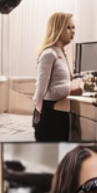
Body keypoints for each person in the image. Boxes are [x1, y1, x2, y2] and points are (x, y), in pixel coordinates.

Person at [32, 11, 83, 141]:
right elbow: (45, 92)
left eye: (73, 27)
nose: (73, 31)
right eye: (68, 27)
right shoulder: (49, 54)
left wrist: (76, 82)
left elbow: (60, 84)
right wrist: (71, 87)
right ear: (58, 29)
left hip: (61, 112)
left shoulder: (61, 52)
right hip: (49, 116)